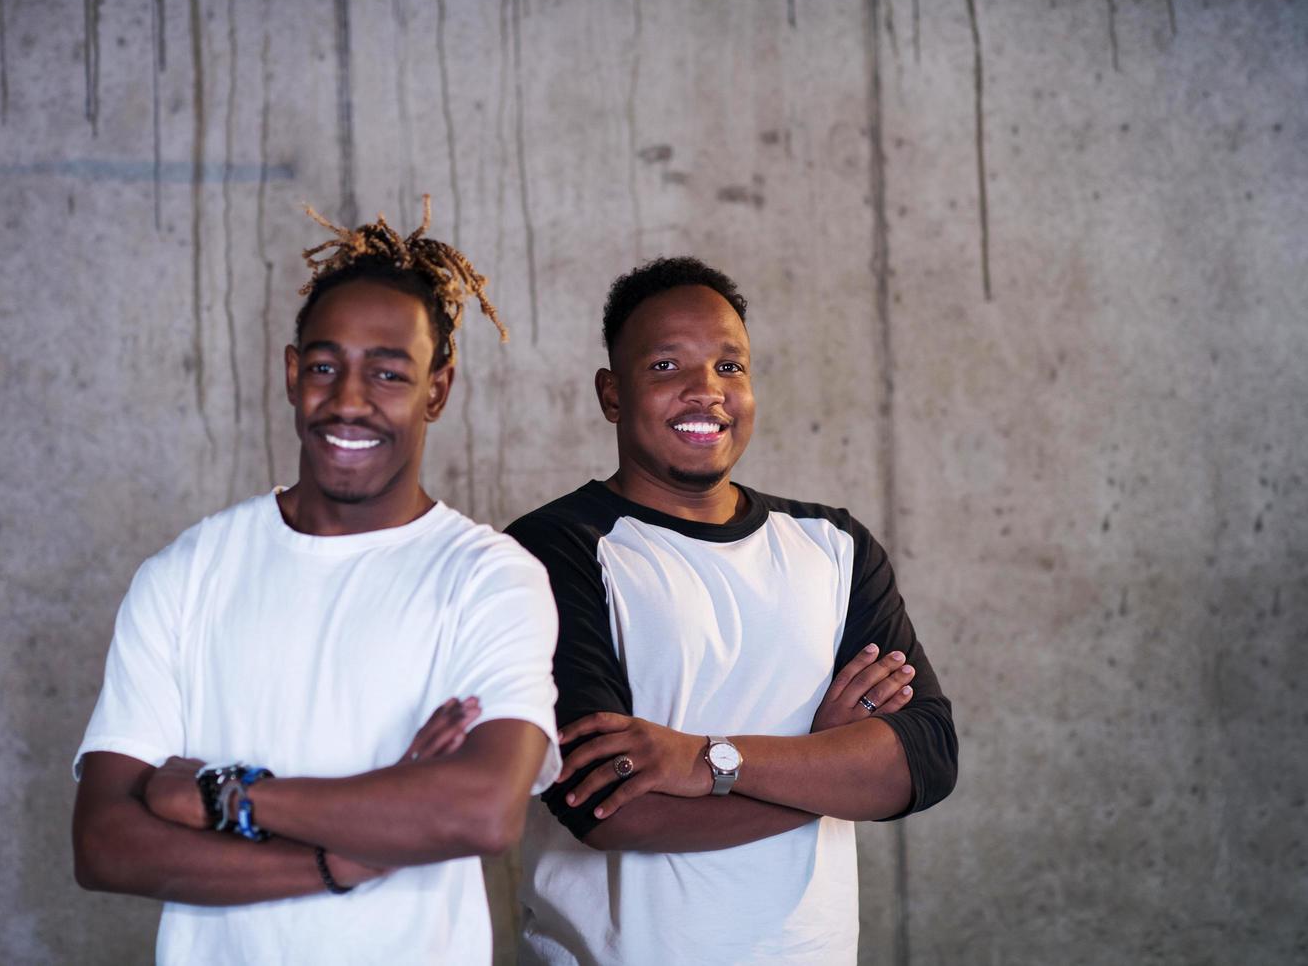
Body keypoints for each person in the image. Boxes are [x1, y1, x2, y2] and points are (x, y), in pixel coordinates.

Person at [71, 198, 560, 965]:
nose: (349, 401)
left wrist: (226, 795)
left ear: (438, 389)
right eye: (326, 367)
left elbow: (483, 810)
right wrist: (341, 858)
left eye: (389, 373)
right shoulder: (187, 572)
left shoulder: (490, 578)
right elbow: (104, 842)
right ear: (293, 373)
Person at [505, 257, 959, 965]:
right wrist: (827, 767)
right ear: (611, 393)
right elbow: (606, 807)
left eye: (729, 366)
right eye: (665, 367)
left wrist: (703, 759)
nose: (704, 392)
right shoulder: (553, 549)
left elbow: (925, 760)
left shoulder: (834, 546)